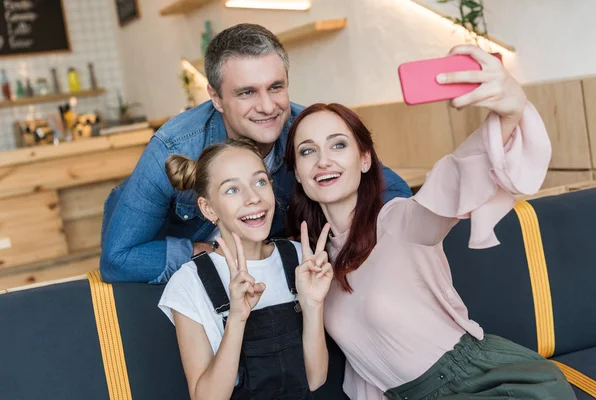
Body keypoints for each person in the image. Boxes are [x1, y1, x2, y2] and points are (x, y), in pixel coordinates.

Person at [285, 45, 576, 400]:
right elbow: (324, 376)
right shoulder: (314, 263)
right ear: (297, 174)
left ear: (364, 160)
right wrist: (311, 303)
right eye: (307, 151)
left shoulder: (400, 221)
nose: (323, 161)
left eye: (338, 145)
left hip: (481, 381)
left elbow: (453, 177)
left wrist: (511, 112)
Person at [100, 23, 411, 284]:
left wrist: (339, 251)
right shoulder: (173, 148)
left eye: (275, 87)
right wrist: (216, 253)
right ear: (216, 98)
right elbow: (118, 258)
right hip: (186, 267)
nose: (267, 107)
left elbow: (394, 193)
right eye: (247, 92)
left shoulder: (305, 133)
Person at [158, 138, 336, 399]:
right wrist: (237, 319)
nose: (254, 198)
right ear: (208, 209)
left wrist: (312, 305)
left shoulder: (300, 259)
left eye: (260, 182)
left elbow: (315, 378)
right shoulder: (188, 284)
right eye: (232, 190)